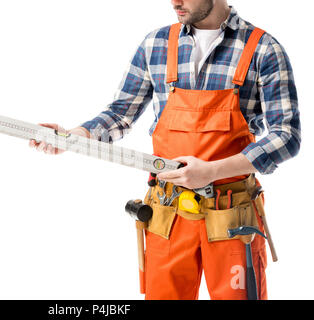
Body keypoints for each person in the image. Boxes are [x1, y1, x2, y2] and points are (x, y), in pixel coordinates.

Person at [29, 0, 301, 300]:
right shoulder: (157, 44)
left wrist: (211, 172)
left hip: (232, 214)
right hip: (167, 212)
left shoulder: (263, 48)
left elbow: (286, 136)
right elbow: (121, 113)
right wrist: (74, 135)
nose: (175, 1)